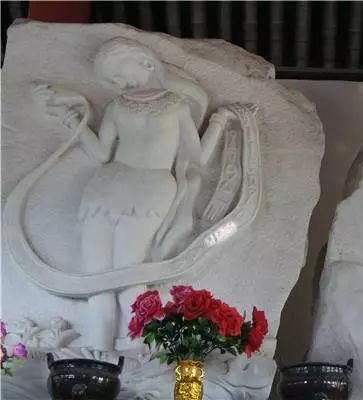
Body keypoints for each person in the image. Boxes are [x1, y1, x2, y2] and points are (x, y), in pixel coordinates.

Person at [35, 38, 230, 351]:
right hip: (107, 185)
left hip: (151, 188)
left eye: (118, 72)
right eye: (111, 79)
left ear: (146, 62)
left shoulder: (177, 105)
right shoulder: (117, 106)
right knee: (96, 276)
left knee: (130, 273)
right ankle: (98, 352)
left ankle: (147, 350)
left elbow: (197, 159)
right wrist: (72, 120)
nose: (118, 82)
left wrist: (219, 123)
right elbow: (102, 153)